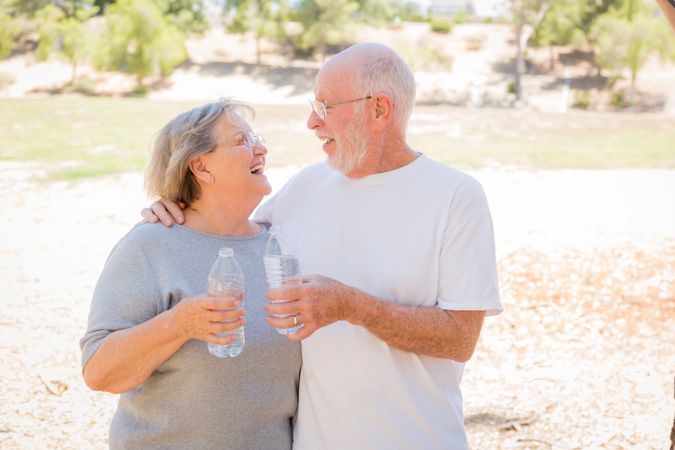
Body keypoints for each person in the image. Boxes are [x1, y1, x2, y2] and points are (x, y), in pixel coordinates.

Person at [144, 43, 502, 449]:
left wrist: (350, 306)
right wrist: (176, 206)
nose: (312, 122)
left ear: (379, 109)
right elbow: (225, 230)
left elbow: (459, 339)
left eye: (326, 106)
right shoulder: (306, 186)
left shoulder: (456, 196)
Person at [81, 100, 301, 449]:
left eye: (256, 137)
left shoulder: (279, 246)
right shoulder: (150, 245)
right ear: (200, 166)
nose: (262, 148)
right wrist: (179, 324)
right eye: (243, 140)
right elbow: (99, 371)